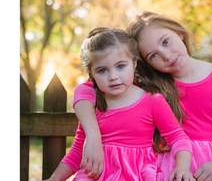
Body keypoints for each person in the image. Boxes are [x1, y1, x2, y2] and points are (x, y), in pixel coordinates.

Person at [69, 11, 212, 181]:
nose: (166, 55)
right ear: (144, 63)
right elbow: (86, 89)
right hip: (169, 164)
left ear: (178, 31)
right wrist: (93, 136)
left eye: (166, 42)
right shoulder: (146, 84)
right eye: (153, 55)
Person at [42, 27, 195, 181]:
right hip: (95, 176)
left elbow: (177, 138)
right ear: (92, 74)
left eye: (120, 66)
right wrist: (54, 179)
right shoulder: (92, 106)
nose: (113, 77)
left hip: (136, 175)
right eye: (102, 70)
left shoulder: (152, 100)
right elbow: (78, 151)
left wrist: (182, 167)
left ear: (134, 63)